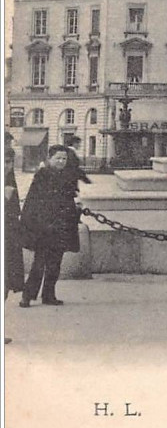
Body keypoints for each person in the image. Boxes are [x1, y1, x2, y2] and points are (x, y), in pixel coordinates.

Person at [19, 145, 81, 307]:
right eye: (58, 158)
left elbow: (69, 201)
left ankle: (49, 295)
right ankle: (27, 295)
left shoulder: (68, 177)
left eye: (64, 159)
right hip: (44, 228)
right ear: (50, 159)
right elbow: (33, 201)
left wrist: (76, 210)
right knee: (39, 263)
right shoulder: (42, 176)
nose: (61, 161)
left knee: (55, 263)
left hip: (60, 227)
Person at [4, 140, 24, 340]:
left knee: (6, 284)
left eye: (9, 162)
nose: (6, 166)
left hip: (9, 238)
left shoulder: (10, 179)